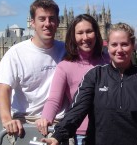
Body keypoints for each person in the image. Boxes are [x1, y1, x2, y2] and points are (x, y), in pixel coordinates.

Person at [41, 22, 137, 145]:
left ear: (133, 46)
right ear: (108, 47)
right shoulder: (95, 75)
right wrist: (57, 136)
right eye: (114, 45)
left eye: (124, 44)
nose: (119, 50)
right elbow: (77, 110)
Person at [0, 0, 66, 137]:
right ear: (32, 22)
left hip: (58, 122)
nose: (47, 24)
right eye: (42, 19)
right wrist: (7, 119)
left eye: (51, 19)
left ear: (57, 22)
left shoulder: (67, 51)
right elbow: (4, 90)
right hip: (26, 121)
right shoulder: (16, 52)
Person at [35, 14, 110, 145]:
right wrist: (45, 118)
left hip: (109, 131)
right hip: (80, 134)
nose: (85, 37)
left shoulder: (109, 61)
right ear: (73, 37)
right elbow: (54, 100)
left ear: (96, 34)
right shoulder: (65, 66)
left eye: (89, 31)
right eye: (80, 33)